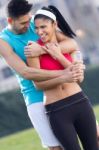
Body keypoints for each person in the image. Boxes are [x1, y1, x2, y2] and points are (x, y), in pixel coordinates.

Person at [0, 0, 85, 150]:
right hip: (35, 97)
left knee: (95, 135)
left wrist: (42, 50)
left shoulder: (37, 23)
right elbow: (26, 72)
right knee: (56, 148)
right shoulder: (3, 41)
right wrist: (63, 73)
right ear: (10, 21)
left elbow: (71, 44)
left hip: (65, 89)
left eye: (29, 19)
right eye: (24, 22)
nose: (29, 25)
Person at [27, 6, 99, 150]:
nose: (40, 31)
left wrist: (58, 55)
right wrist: (63, 78)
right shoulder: (32, 50)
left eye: (43, 27)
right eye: (36, 28)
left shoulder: (70, 45)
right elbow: (38, 85)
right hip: (57, 110)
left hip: (80, 103)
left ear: (54, 25)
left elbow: (79, 78)